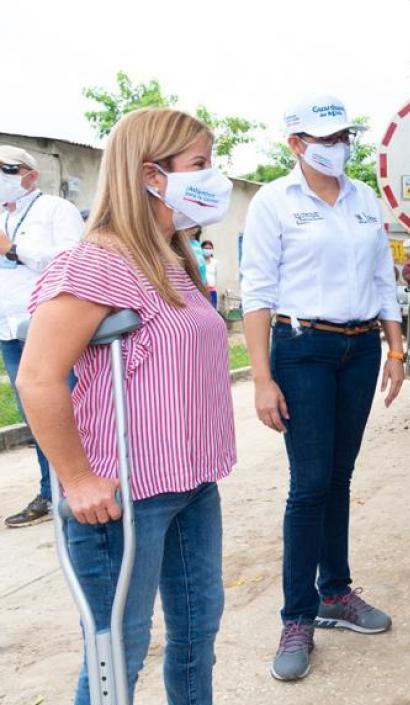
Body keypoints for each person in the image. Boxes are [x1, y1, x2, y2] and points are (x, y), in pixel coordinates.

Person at [17, 108, 236, 704]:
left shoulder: (174, 256)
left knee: (197, 634)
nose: (212, 178)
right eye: (199, 165)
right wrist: (78, 478)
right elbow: (37, 376)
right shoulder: (97, 260)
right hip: (122, 498)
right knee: (119, 648)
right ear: (152, 175)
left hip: (192, 483)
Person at [241, 95, 405, 682]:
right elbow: (257, 293)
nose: (337, 146)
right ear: (296, 144)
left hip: (358, 349)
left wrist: (395, 346)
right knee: (309, 485)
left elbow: (384, 277)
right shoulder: (272, 202)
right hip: (302, 348)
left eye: (344, 135)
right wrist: (262, 379)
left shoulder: (364, 200)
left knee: (339, 477)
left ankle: (335, 592)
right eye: (324, 137)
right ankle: (298, 616)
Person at [0, 145, 84, 527]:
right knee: (36, 417)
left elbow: (72, 260)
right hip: (8, 328)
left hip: (49, 330)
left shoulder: (56, 210)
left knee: (69, 411)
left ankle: (84, 484)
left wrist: (14, 250)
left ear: (29, 174)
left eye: (6, 170)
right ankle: (51, 492)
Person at [202, 239, 219, 309]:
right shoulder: (199, 262)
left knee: (213, 311)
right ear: (201, 249)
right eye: (206, 248)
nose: (208, 250)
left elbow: (216, 276)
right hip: (202, 291)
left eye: (210, 248)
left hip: (212, 292)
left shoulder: (215, 262)